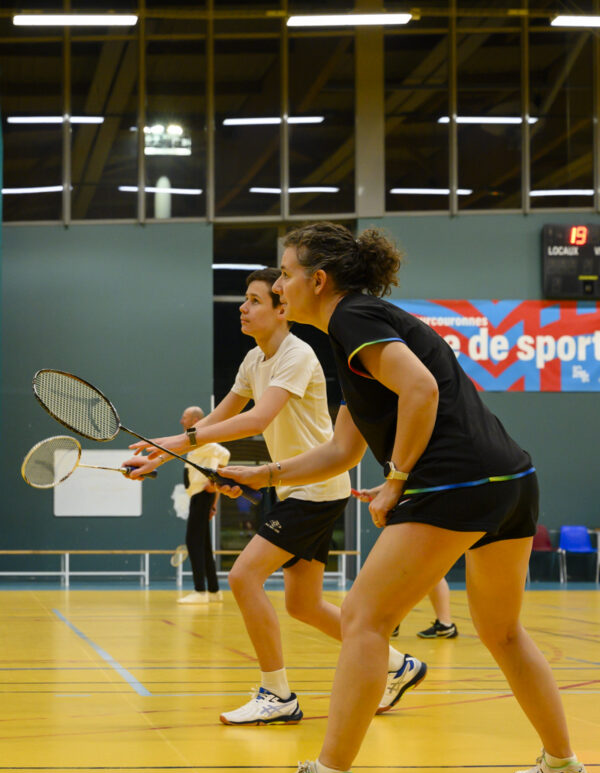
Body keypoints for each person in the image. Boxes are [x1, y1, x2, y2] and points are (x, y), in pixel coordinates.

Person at [213, 222, 589, 773]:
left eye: (284, 274)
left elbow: (420, 390)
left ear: (319, 279)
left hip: (454, 480)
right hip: (509, 481)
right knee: (503, 631)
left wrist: (396, 480)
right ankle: (563, 767)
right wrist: (270, 474)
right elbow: (340, 452)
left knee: (363, 618)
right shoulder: (356, 339)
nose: (279, 285)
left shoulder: (353, 319)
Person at [123, 267, 426, 725]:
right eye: (243, 300)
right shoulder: (254, 360)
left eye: (254, 300)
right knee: (302, 604)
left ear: (281, 308)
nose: (243, 308)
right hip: (297, 487)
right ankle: (396, 663)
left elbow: (255, 420)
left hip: (315, 488)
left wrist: (176, 445)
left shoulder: (296, 354)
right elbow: (213, 422)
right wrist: (159, 454)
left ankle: (277, 693)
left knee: (244, 577)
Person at [354, 485, 458, 638]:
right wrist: (376, 492)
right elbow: (405, 476)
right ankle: (444, 624)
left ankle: (391, 621)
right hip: (427, 505)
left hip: (422, 506)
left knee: (401, 567)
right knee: (429, 569)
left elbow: (406, 474)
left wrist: (381, 493)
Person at [179, 405, 230, 604]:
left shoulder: (203, 441)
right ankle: (214, 590)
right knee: (204, 544)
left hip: (201, 496)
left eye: (184, 417)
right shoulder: (195, 443)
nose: (181, 421)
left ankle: (199, 591)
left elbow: (224, 453)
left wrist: (215, 484)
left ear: (194, 421)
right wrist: (215, 499)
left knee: (192, 541)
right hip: (201, 497)